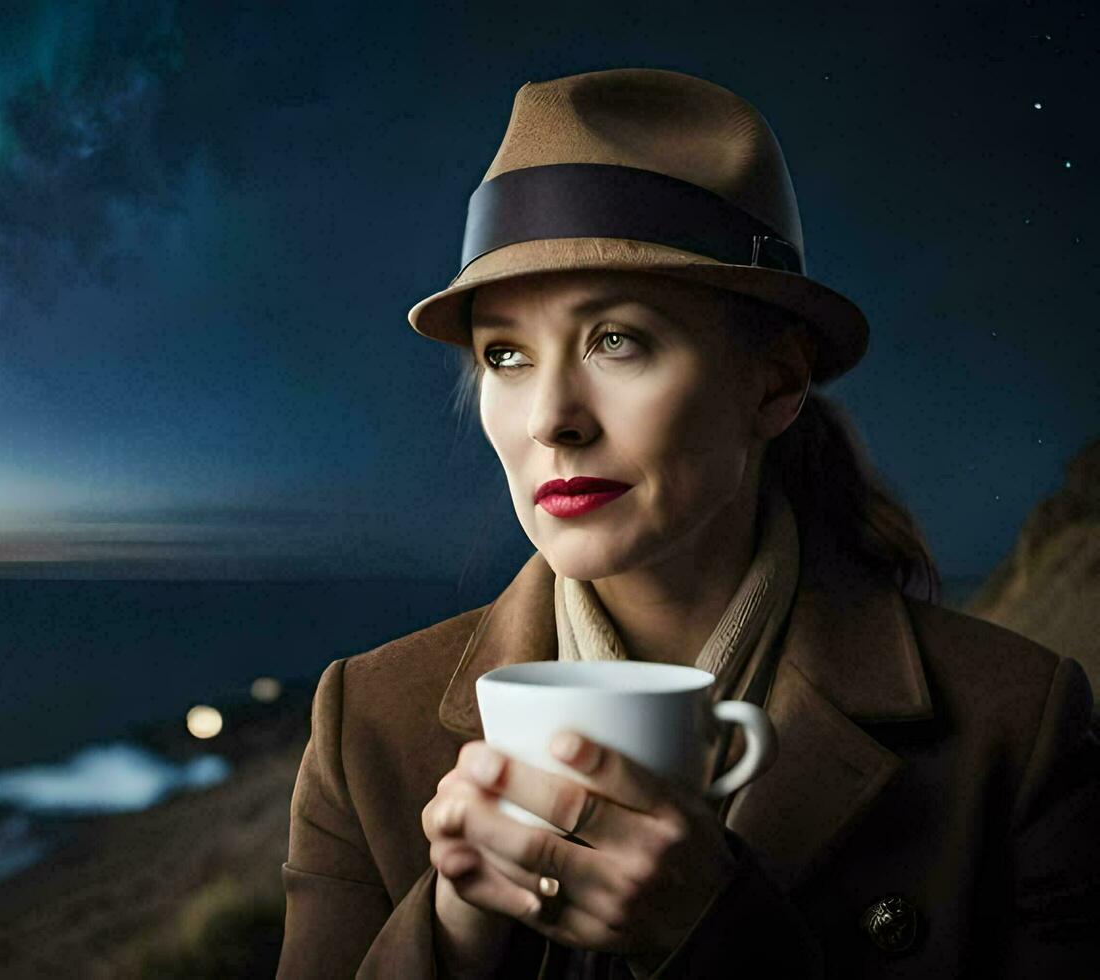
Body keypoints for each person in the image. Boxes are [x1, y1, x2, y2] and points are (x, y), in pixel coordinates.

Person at [277, 67, 1100, 979]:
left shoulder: (1014, 729)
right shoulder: (367, 726)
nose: (552, 417)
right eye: (505, 354)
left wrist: (714, 932)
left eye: (616, 339)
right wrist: (453, 927)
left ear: (776, 383)